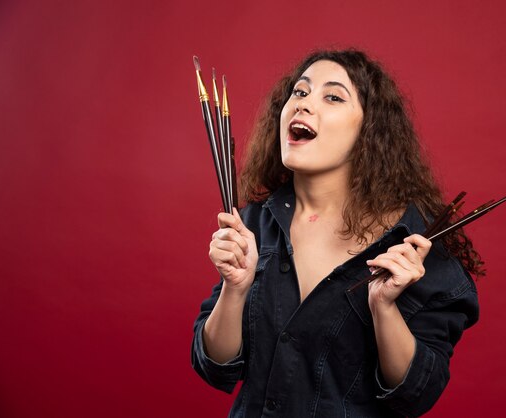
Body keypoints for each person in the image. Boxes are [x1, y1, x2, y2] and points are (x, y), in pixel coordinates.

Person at [191, 49, 482, 417]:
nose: (304, 105)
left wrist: (384, 308)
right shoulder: (254, 224)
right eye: (299, 93)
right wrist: (235, 290)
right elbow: (214, 366)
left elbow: (414, 395)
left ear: (369, 130)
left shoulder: (415, 246)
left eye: (332, 97)